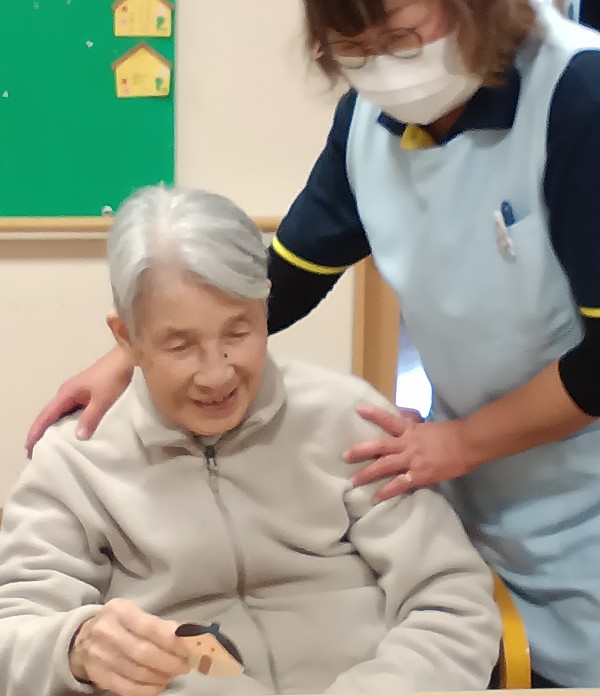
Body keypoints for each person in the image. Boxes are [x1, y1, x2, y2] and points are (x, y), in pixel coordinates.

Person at [24, 0, 600, 687]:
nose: (382, 68)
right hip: (477, 490)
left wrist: (460, 443)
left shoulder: (579, 99)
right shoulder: (370, 118)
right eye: (352, 49)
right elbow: (281, 278)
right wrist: (133, 357)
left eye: (400, 37)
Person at [0, 185, 500, 696]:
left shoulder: (349, 419)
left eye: (238, 333)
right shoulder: (76, 460)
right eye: (180, 345)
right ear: (127, 339)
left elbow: (452, 602)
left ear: (266, 308)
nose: (217, 374)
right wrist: (76, 645)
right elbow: (13, 634)